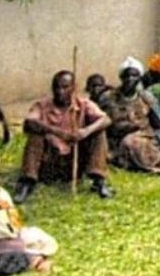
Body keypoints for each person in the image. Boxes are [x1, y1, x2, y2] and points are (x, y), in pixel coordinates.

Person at [18, 69, 113, 199]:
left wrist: (85, 132)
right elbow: (29, 122)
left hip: (75, 161)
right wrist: (59, 133)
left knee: (98, 133)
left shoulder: (83, 104)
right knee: (36, 134)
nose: (60, 91)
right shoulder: (42, 106)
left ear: (73, 88)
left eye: (65, 87)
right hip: (50, 162)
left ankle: (98, 181)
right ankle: (27, 182)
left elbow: (106, 119)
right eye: (56, 87)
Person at [99, 60, 160, 175]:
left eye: (134, 75)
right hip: (115, 137)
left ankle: (148, 162)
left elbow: (158, 123)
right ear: (121, 77)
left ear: (139, 78)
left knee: (131, 143)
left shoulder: (146, 98)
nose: (130, 79)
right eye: (127, 75)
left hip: (142, 135)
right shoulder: (108, 98)